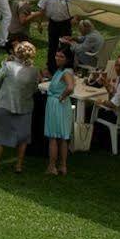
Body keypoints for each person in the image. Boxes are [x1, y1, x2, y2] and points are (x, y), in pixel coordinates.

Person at [0, 40, 37, 173]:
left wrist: (4, 63)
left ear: (17, 52)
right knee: (23, 138)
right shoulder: (34, 71)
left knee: (0, 136)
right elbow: (35, 88)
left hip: (5, 104)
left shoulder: (9, 66)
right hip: (25, 107)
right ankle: (18, 166)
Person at [41, 45, 79, 175]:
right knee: (63, 137)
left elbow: (70, 87)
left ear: (67, 59)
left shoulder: (66, 72)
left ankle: (52, 166)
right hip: (62, 105)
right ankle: (63, 166)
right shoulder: (62, 71)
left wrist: (61, 97)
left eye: (61, 56)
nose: (57, 58)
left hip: (57, 104)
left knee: (53, 137)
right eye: (57, 55)